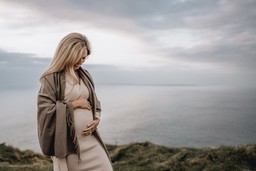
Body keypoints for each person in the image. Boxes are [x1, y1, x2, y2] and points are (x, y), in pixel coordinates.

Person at [37, 32, 113, 171]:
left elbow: (96, 103)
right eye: (77, 58)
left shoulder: (85, 75)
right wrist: (74, 105)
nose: (81, 62)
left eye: (84, 58)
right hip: (69, 146)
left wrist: (96, 118)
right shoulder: (51, 79)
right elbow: (45, 110)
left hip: (91, 141)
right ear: (67, 55)